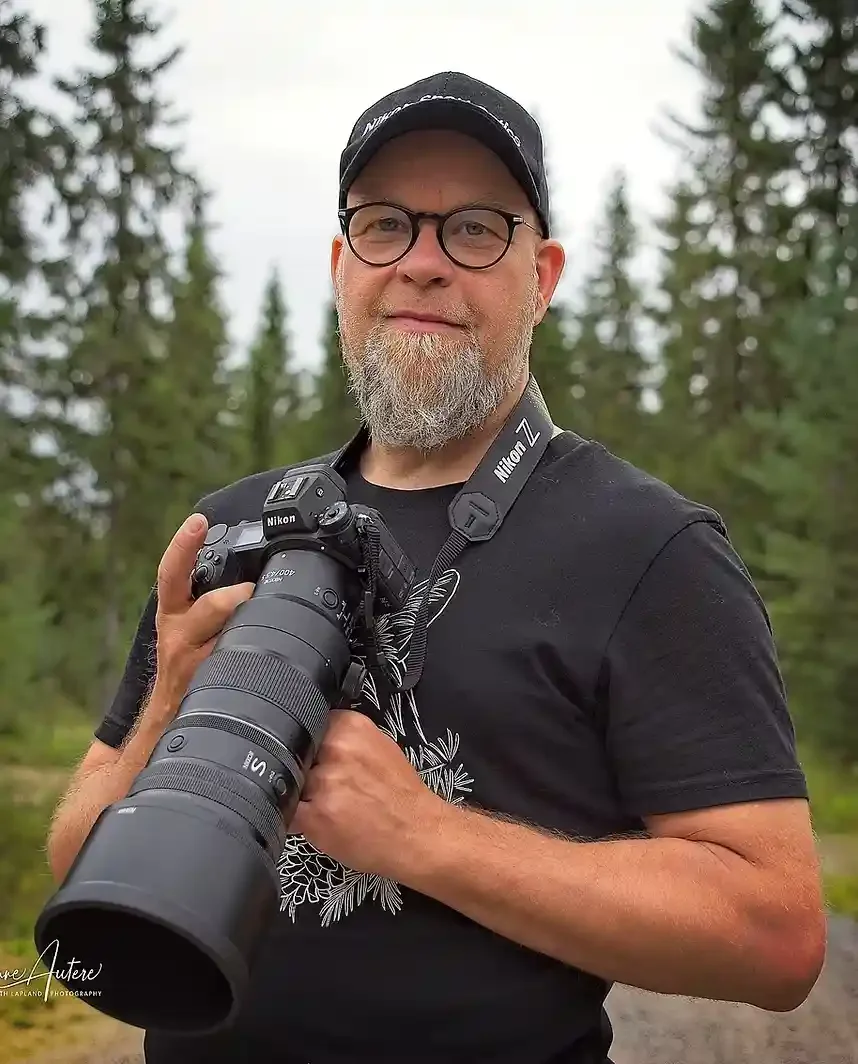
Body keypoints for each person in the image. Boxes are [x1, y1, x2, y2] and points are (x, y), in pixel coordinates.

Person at [45, 71, 827, 1064]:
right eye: (385, 225)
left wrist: (426, 836)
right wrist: (165, 711)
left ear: (542, 277)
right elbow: (77, 863)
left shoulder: (649, 549)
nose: (422, 263)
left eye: (474, 230)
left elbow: (777, 935)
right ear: (342, 264)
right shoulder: (235, 528)